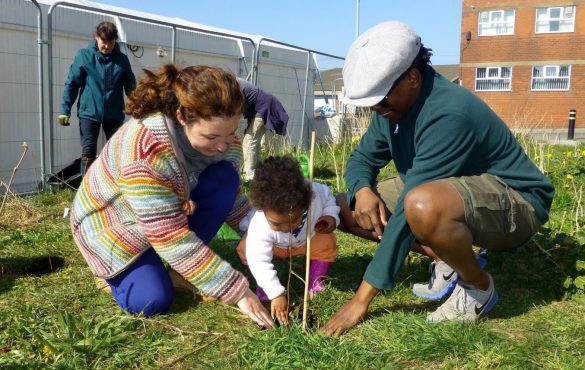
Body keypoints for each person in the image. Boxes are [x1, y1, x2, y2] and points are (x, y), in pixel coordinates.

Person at [321, 21, 554, 337]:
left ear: (413, 78)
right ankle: (450, 259)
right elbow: (362, 159)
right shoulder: (392, 112)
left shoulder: (448, 111)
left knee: (421, 205)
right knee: (343, 207)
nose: (376, 108)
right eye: (370, 102)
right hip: (446, 189)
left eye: (381, 99)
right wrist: (362, 189)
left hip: (518, 201)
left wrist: (361, 300)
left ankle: (478, 288)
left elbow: (408, 208)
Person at [70, 64, 273, 329]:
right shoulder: (144, 152)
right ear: (181, 117)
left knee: (224, 176)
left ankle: (181, 272)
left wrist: (256, 229)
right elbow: (169, 237)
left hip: (170, 212)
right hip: (112, 221)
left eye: (231, 133)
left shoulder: (223, 143)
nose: (224, 145)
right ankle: (109, 273)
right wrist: (238, 291)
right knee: (151, 300)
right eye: (211, 136)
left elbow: (229, 195)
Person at [236, 156, 339, 326]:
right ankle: (265, 287)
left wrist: (330, 216)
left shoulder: (317, 194)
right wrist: (276, 294)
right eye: (276, 223)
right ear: (262, 209)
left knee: (326, 241)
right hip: (275, 247)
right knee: (250, 251)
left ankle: (315, 281)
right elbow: (259, 260)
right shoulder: (260, 224)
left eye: (295, 219)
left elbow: (329, 199)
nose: (286, 228)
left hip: (306, 240)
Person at [58, 21, 136, 176]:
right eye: (103, 42)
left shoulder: (121, 60)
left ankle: (114, 185)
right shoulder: (84, 56)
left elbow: (131, 87)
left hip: (114, 114)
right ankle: (86, 188)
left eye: (111, 42)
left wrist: (140, 107)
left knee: (115, 150)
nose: (107, 46)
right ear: (96, 37)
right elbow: (72, 84)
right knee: (88, 150)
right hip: (89, 112)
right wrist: (64, 110)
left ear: (115, 41)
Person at [236, 77, 289, 180]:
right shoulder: (235, 82)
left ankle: (249, 175)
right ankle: (258, 172)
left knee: (249, 141)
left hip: (264, 107)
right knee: (255, 142)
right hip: (265, 105)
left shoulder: (233, 86)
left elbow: (235, 110)